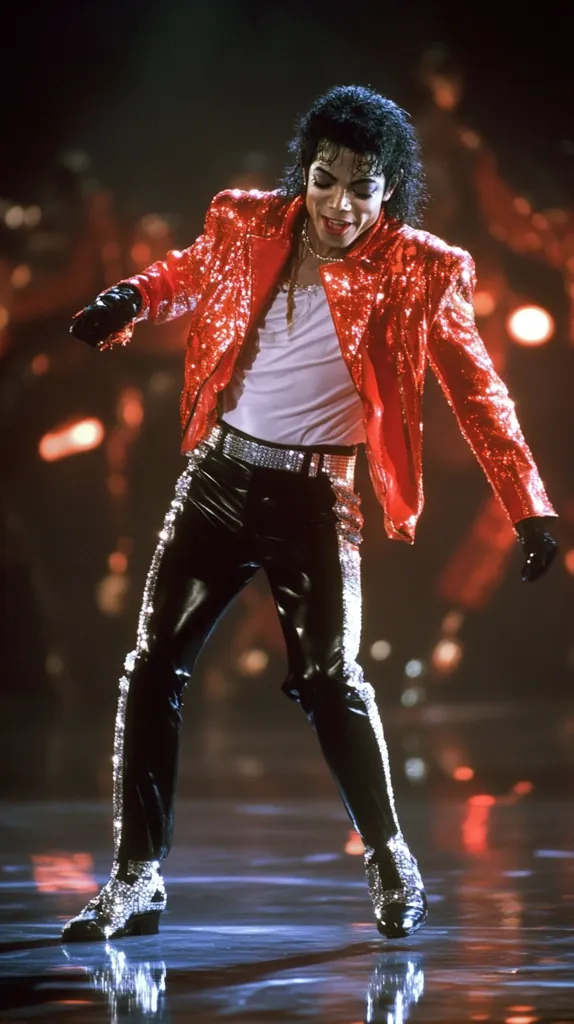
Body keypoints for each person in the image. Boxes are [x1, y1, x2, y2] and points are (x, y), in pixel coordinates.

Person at [61, 85, 558, 943]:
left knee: (329, 681)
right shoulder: (245, 220)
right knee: (152, 667)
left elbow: (478, 390)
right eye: (327, 181)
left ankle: (391, 857)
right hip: (215, 480)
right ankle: (137, 877)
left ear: (391, 190)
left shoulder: (423, 268)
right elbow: (186, 270)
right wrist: (132, 299)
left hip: (315, 499)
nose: (342, 205)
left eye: (364, 188)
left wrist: (529, 506)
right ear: (305, 174)